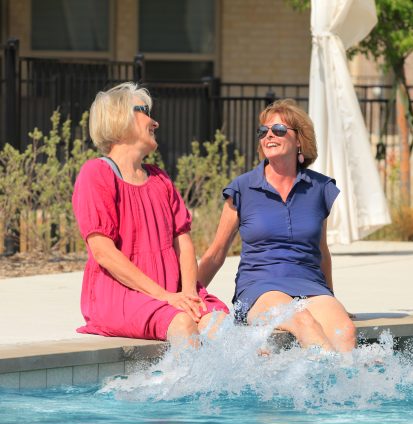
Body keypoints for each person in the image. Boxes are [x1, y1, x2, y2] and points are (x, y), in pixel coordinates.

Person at [72, 82, 228, 347]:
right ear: (119, 118)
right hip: (120, 295)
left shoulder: (160, 179)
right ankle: (186, 390)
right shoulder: (96, 174)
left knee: (220, 323)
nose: (155, 121)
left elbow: (184, 242)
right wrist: (165, 296)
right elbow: (103, 253)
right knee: (182, 323)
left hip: (172, 292)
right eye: (144, 111)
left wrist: (188, 292)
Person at [198, 99, 356, 352]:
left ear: (299, 140)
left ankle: (345, 387)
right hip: (261, 286)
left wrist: (331, 298)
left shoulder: (320, 189)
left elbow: (321, 251)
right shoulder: (242, 188)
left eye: (279, 130)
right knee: (303, 322)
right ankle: (329, 381)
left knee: (344, 331)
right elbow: (216, 253)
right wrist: (191, 297)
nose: (269, 135)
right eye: (264, 131)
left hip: (310, 284)